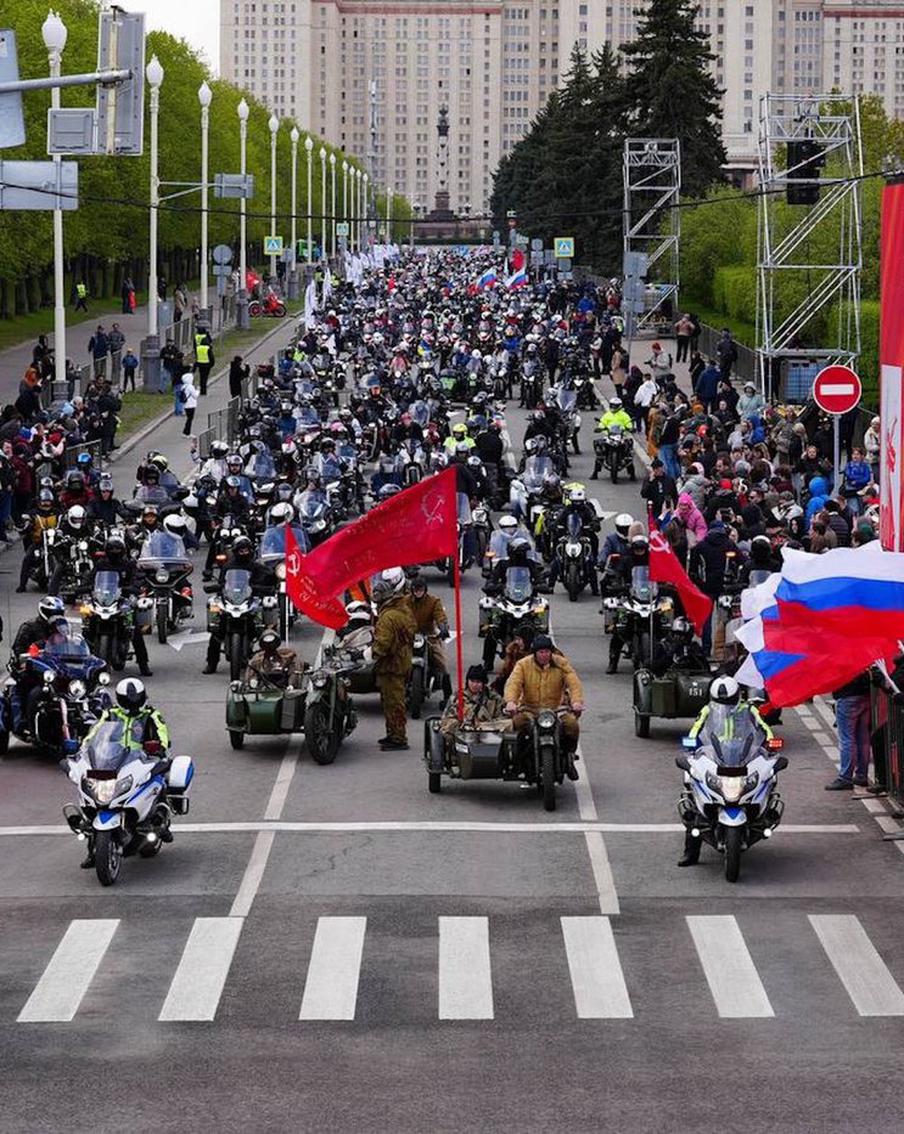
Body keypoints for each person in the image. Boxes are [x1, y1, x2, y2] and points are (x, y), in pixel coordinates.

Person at [680, 676, 773, 866]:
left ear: (737, 696)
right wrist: (691, 743)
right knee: (692, 788)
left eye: (729, 701)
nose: (726, 705)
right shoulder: (708, 710)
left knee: (769, 776)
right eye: (722, 701)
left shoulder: (748, 709)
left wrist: (770, 742)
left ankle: (766, 814)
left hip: (743, 754)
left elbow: (763, 727)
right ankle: (691, 853)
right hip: (715, 753)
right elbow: (696, 728)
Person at [78, 678, 169, 867]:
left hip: (143, 760)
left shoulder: (151, 714)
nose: (134, 704)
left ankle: (161, 821)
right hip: (114, 761)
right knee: (96, 798)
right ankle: (93, 851)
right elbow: (94, 733)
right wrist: (84, 748)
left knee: (159, 779)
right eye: (129, 701)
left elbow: (163, 734)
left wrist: (160, 748)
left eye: (137, 699)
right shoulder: (111, 714)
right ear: (120, 700)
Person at [503, 634, 583, 775]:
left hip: (556, 710)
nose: (544, 655)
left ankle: (569, 757)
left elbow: (574, 683)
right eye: (541, 652)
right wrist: (511, 702)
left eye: (547, 651)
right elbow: (513, 684)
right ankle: (519, 760)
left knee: (572, 725)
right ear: (535, 653)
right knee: (517, 723)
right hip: (529, 709)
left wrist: (576, 701)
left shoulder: (561, 663)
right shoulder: (523, 665)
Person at [90, 531, 153, 676]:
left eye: (117, 549)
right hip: (103, 599)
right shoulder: (101, 564)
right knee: (88, 621)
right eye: (111, 549)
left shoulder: (129, 565)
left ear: (123, 550)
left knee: (135, 630)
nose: (114, 552)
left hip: (123, 600)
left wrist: (134, 587)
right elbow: (91, 578)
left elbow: (138, 578)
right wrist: (83, 587)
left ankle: (143, 664)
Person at [372, 574, 417, 750]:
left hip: (392, 666)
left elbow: (383, 644)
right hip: (400, 662)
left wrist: (369, 653)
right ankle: (393, 734)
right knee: (391, 702)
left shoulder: (388, 617)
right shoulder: (402, 610)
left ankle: (398, 738)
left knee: (394, 703)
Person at [8, 596, 66, 733]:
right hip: (34, 670)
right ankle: (26, 723)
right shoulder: (29, 627)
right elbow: (19, 650)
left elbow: (70, 644)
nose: (55, 616)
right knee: (30, 690)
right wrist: (27, 658)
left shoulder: (62, 628)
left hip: (56, 669)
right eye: (52, 613)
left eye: (59, 613)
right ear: (43, 611)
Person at [825, 668, 872, 791]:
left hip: (847, 695)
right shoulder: (860, 657)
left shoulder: (840, 658)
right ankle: (862, 775)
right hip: (864, 694)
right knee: (863, 738)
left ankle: (845, 777)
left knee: (847, 739)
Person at [409, 576, 453, 703]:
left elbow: (440, 615)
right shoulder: (405, 601)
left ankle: (448, 696)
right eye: (415, 589)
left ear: (425, 590)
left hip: (429, 636)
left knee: (441, 662)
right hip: (409, 636)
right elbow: (398, 614)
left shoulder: (433, 601)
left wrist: (443, 627)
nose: (418, 592)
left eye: (420, 589)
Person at [440, 664, 506, 739]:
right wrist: (459, 725)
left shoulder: (494, 698)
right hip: (463, 735)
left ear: (483, 683)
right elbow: (446, 719)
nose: (474, 685)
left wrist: (485, 725)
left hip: (488, 735)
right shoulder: (457, 697)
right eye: (472, 681)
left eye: (478, 682)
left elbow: (502, 718)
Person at [194, 326, 215, 395]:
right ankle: (204, 390)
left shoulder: (198, 347)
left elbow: (195, 347)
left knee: (201, 377)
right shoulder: (207, 348)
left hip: (200, 363)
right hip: (207, 364)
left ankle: (202, 389)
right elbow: (211, 357)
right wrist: (212, 364)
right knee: (205, 377)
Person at [178, 371, 199, 436]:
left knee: (189, 419)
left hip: (186, 405)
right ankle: (187, 433)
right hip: (191, 405)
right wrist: (198, 390)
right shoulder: (190, 387)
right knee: (190, 419)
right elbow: (195, 396)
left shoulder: (183, 386)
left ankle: (186, 432)